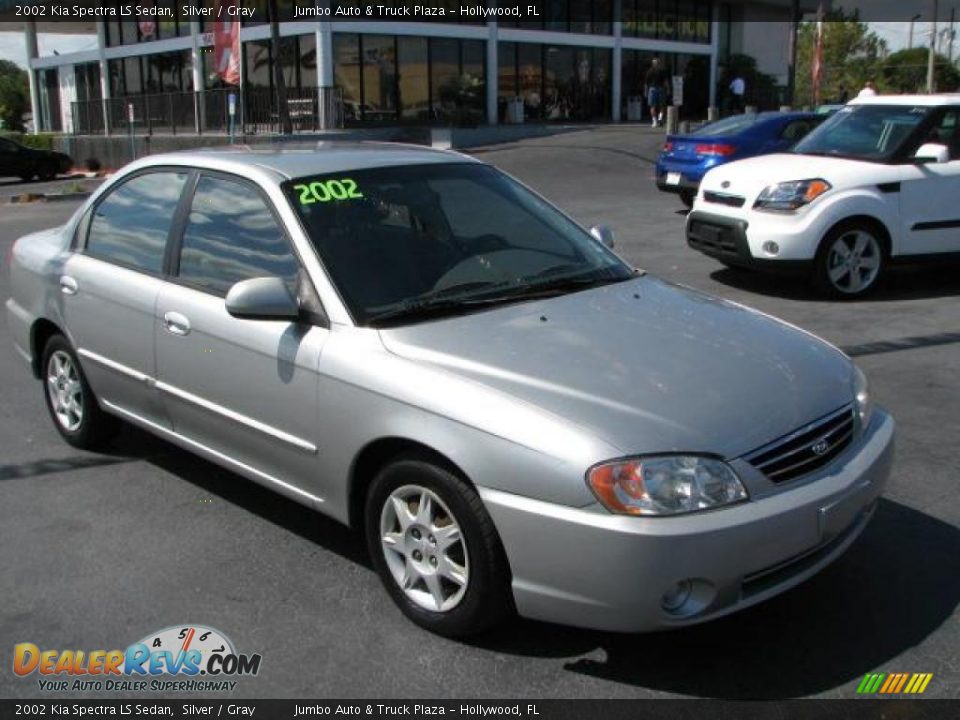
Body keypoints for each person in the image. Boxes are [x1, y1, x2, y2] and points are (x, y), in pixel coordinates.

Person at [645, 58, 668, 128]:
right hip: (660, 88)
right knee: (662, 105)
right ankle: (660, 119)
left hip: (652, 89)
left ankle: (655, 121)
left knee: (652, 106)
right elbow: (665, 82)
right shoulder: (662, 71)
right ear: (659, 63)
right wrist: (668, 89)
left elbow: (646, 83)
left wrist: (645, 91)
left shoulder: (649, 71)